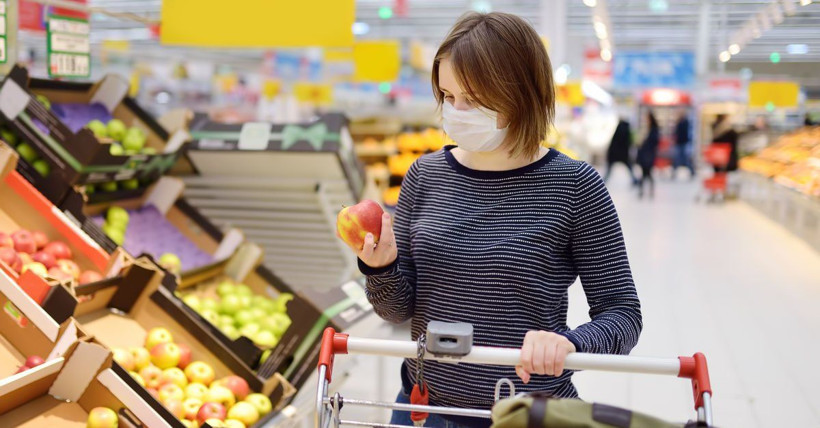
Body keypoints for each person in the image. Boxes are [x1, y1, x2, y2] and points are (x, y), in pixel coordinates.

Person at [343, 12, 642, 428]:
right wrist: (381, 268)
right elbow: (397, 311)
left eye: (475, 99)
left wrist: (567, 344)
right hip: (423, 408)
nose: (457, 111)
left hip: (526, 413)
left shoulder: (574, 185)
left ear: (521, 94)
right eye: (448, 96)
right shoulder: (424, 176)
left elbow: (623, 314)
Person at [604, 118, 638, 185]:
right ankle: (634, 180)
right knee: (629, 167)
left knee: (609, 169)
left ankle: (602, 181)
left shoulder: (619, 128)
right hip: (623, 154)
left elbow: (614, 142)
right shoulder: (627, 129)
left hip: (614, 153)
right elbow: (629, 142)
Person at [636, 112, 660, 199]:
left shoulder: (653, 130)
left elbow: (653, 143)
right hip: (646, 154)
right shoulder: (649, 129)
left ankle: (645, 191)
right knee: (645, 173)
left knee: (647, 173)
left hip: (648, 155)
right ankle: (644, 191)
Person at [672, 110, 695, 180]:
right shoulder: (679, 122)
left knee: (686, 159)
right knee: (677, 159)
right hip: (679, 143)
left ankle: (692, 171)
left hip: (683, 143)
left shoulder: (686, 122)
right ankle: (674, 172)